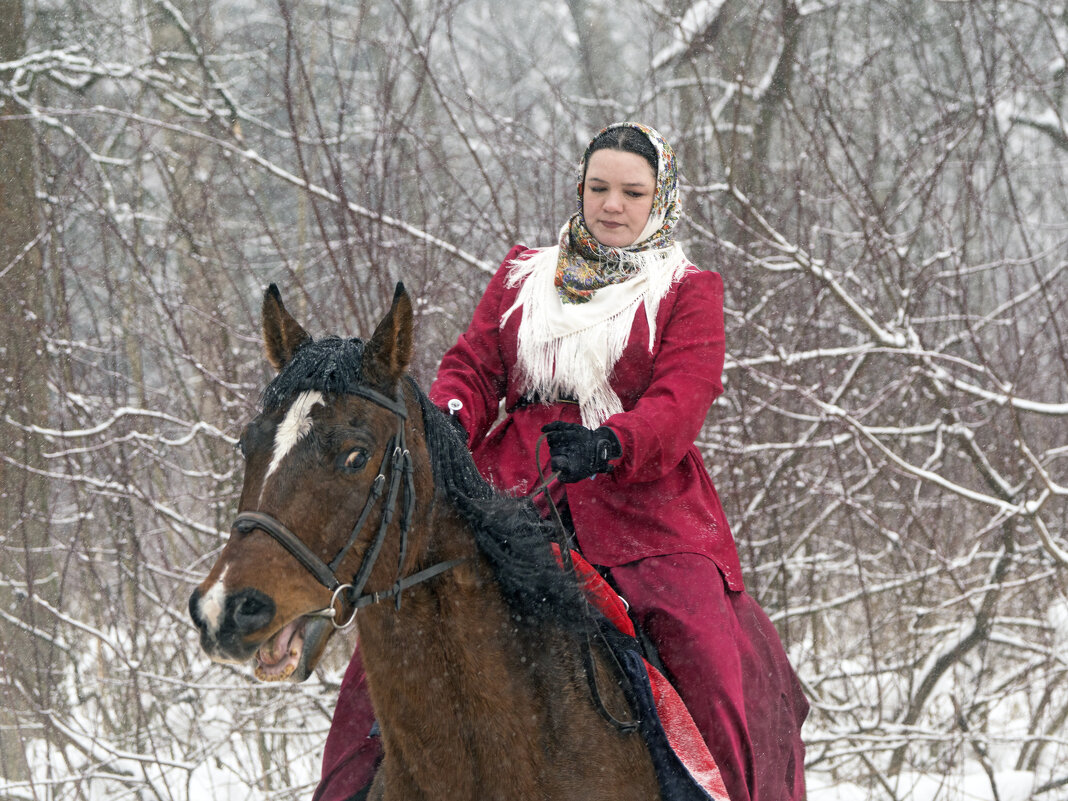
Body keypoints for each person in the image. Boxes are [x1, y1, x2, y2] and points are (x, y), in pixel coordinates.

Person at [314, 122, 808, 801]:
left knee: (708, 652)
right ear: (580, 190)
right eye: (599, 188)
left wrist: (615, 441)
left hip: (642, 508)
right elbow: (473, 364)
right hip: (507, 490)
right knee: (394, 629)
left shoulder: (689, 289)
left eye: (633, 192)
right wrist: (451, 414)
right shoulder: (523, 273)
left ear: (659, 199)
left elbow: (683, 394)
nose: (613, 205)